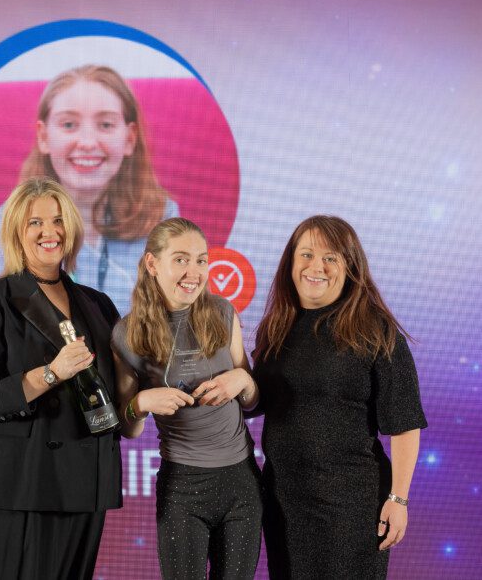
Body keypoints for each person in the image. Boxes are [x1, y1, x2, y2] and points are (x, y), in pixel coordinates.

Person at [0, 177, 122, 580]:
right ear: (16, 232)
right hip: (22, 482)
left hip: (87, 478)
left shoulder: (98, 304)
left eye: (58, 220)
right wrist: (52, 373)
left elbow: (119, 384)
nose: (50, 232)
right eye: (35, 223)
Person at [252, 215, 427, 580]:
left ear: (350, 266)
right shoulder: (277, 325)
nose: (317, 267)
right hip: (284, 500)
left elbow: (405, 422)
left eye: (331, 257)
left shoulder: (375, 330)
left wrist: (398, 499)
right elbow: (258, 401)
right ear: (291, 262)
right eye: (307, 255)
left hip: (351, 505)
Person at [111, 217, 262, 580]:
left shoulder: (224, 314)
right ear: (152, 264)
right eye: (180, 259)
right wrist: (142, 403)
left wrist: (242, 379)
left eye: (201, 260)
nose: (193, 271)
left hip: (241, 480)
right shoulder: (126, 334)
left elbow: (254, 403)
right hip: (182, 486)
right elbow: (127, 427)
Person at [0, 64, 178, 315]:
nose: (88, 143)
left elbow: (169, 317)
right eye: (69, 125)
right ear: (44, 136)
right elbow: (15, 316)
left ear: (130, 139)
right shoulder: (12, 216)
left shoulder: (163, 215)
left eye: (105, 125)